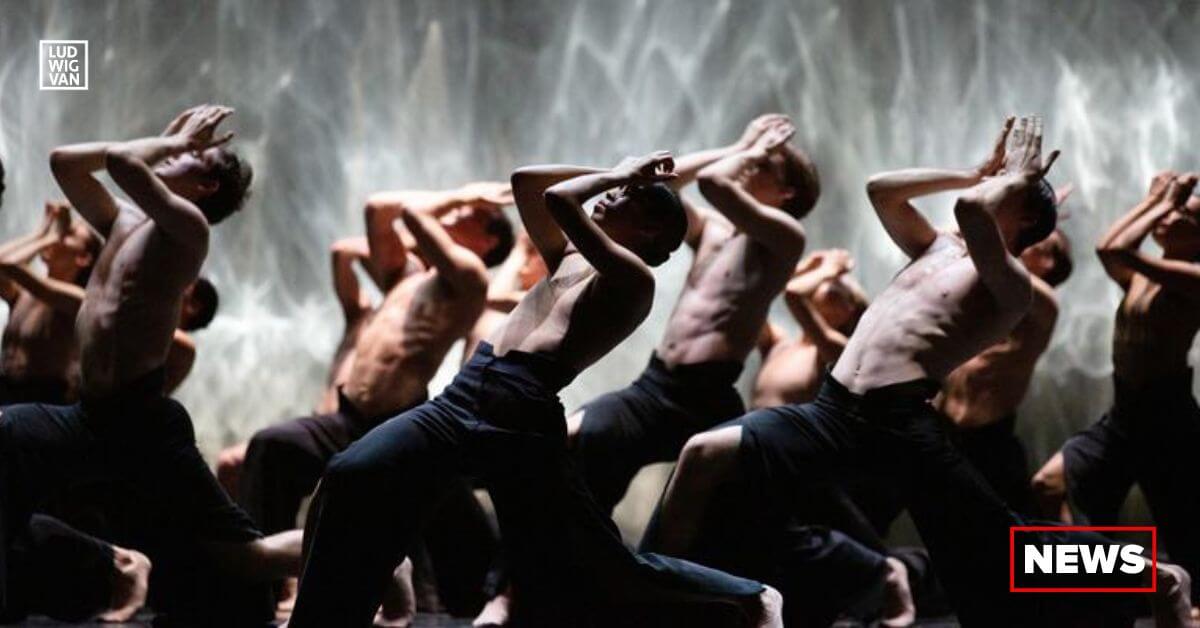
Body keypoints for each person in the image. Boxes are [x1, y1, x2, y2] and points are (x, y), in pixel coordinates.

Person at [642, 117, 1194, 626]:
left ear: (1024, 217)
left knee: (1007, 552)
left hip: (897, 423)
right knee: (704, 453)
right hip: (833, 410)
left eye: (1006, 188)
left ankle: (1157, 576)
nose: (989, 187)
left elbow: (974, 212)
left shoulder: (1009, 285)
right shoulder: (936, 249)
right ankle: (656, 594)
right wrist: (975, 171)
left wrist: (1018, 175)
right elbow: (882, 187)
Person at [290, 153, 783, 628]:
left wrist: (620, 175)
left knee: (601, 561)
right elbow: (528, 182)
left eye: (626, 198)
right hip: (467, 394)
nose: (609, 196)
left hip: (518, 413)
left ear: (650, 230)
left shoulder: (634, 279)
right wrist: (618, 174)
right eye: (615, 192)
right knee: (349, 475)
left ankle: (754, 595)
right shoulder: (569, 256)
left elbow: (561, 201)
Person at [0, 105, 300, 625]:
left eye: (191, 154)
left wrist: (167, 143)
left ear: (205, 187)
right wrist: (170, 144)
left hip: (141, 422)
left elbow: (121, 161)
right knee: (6, 443)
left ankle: (387, 560)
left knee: (243, 557)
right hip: (88, 415)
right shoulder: (125, 219)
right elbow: (64, 162)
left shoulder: (187, 229)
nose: (176, 149)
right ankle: (106, 566)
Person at [568, 114, 819, 515]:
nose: (754, 162)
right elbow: (657, 187)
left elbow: (713, 184)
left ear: (787, 193)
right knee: (580, 445)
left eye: (768, 163)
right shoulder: (716, 231)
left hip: (703, 393)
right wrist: (741, 145)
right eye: (758, 156)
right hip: (655, 384)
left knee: (728, 507)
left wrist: (751, 149)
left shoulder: (785, 239)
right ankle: (562, 562)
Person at [237, 181, 512, 537]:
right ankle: (265, 581)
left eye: (473, 214)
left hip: (394, 422)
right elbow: (377, 208)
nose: (457, 211)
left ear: (488, 242)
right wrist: (463, 197)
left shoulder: (470, 281)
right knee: (270, 448)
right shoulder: (406, 275)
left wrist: (462, 195)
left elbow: (414, 214)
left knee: (413, 522)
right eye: (462, 206)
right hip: (348, 415)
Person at [1032, 172, 1200, 602]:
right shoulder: (1142, 277)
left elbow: (1115, 248)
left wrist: (1161, 200)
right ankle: (1094, 584)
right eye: (1173, 209)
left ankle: (1180, 600)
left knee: (1185, 529)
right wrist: (1155, 201)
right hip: (1125, 414)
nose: (1171, 217)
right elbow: (1107, 248)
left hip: (1168, 420)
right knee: (1048, 485)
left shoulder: (1191, 279)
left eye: (1184, 215)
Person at [215, 235, 375, 498]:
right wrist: (393, 247)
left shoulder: (411, 322)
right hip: (320, 423)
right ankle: (234, 538)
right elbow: (342, 252)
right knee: (230, 464)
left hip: (357, 431)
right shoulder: (361, 314)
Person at [938, 227, 1071, 515]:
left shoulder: (1045, 305)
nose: (1024, 243)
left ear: (1049, 262)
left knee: (1022, 536)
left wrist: (1005, 220)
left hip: (989, 439)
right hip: (942, 428)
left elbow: (987, 249)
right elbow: (955, 241)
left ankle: (1122, 561)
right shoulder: (988, 301)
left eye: (1036, 241)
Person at [0, 201, 100, 405]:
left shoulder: (78, 300)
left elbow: (7, 263)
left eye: (68, 234)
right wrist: (41, 233)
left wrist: (51, 236)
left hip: (43, 403)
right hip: (6, 392)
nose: (58, 237)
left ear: (83, 258)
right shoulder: (24, 294)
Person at [751, 248, 868, 409]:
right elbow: (752, 296)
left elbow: (793, 294)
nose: (834, 281)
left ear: (851, 311)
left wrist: (829, 269)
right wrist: (803, 268)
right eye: (831, 280)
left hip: (786, 434)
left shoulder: (839, 351)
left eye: (842, 288)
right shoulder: (778, 344)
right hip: (748, 431)